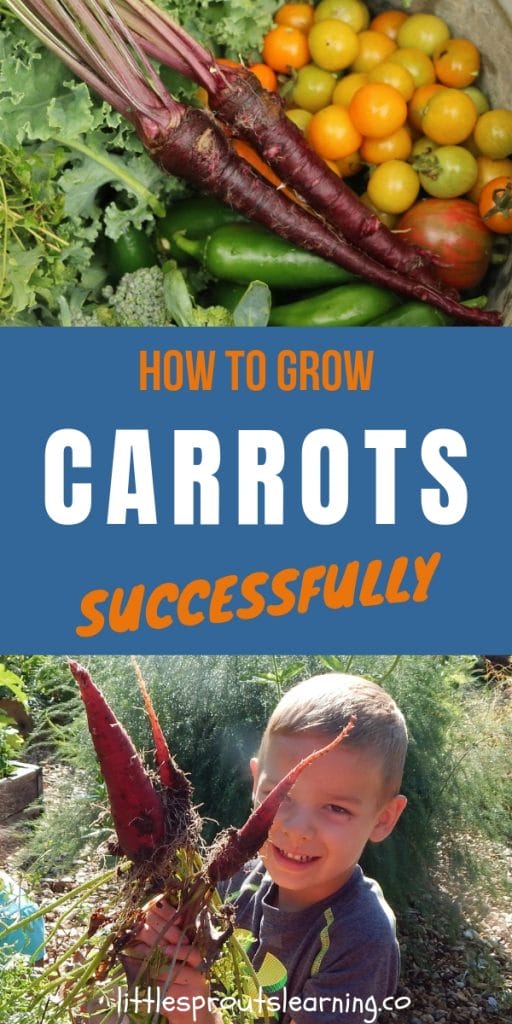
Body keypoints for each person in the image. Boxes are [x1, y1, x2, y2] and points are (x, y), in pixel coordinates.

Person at [128, 673, 408, 1024]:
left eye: (336, 808)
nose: (296, 829)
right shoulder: (233, 878)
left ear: (383, 819)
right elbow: (157, 974)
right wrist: (154, 939)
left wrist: (200, 1016)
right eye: (280, 795)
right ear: (256, 782)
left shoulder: (362, 939)